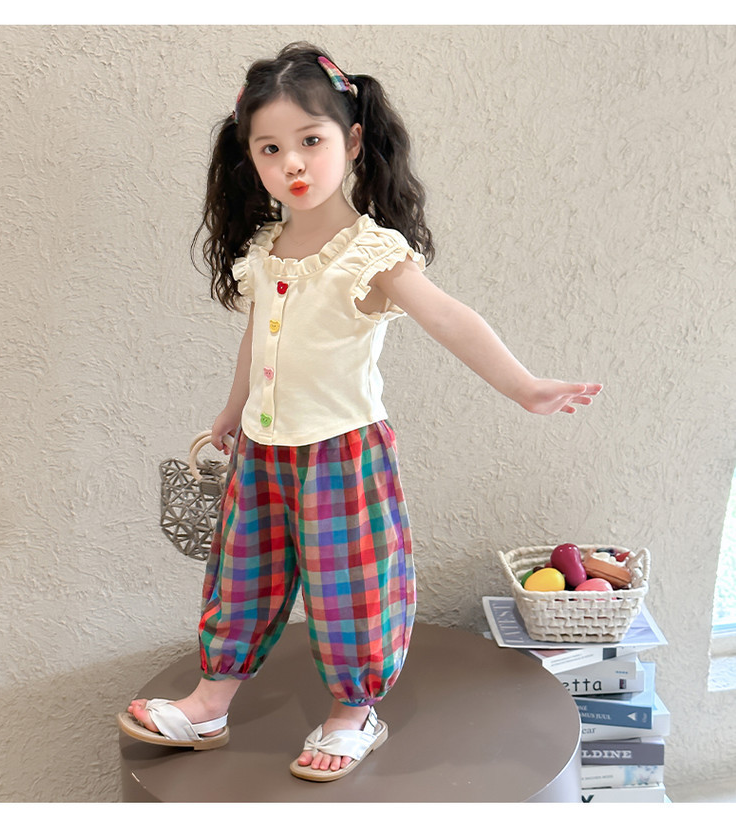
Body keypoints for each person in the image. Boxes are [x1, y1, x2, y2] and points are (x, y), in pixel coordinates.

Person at [117, 42, 602, 782]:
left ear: (351, 142)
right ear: (251, 159)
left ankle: (353, 713)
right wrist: (233, 408)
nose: (292, 163)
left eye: (310, 141)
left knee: (352, 588)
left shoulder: (371, 253)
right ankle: (210, 701)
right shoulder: (265, 248)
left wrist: (524, 386)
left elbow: (449, 318)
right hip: (262, 452)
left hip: (342, 454)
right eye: (270, 148)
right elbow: (259, 337)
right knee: (241, 574)